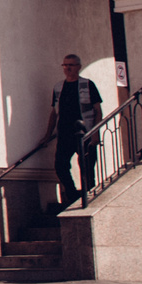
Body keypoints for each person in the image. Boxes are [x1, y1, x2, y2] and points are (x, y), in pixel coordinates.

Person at [47, 54, 104, 209]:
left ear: (78, 66)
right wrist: (47, 135)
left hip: (85, 133)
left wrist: (95, 133)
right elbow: (54, 112)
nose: (68, 68)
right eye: (65, 65)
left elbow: (97, 110)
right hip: (65, 133)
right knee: (60, 165)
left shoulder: (87, 85)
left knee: (86, 165)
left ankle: (90, 195)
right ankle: (72, 195)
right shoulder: (58, 87)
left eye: (71, 65)